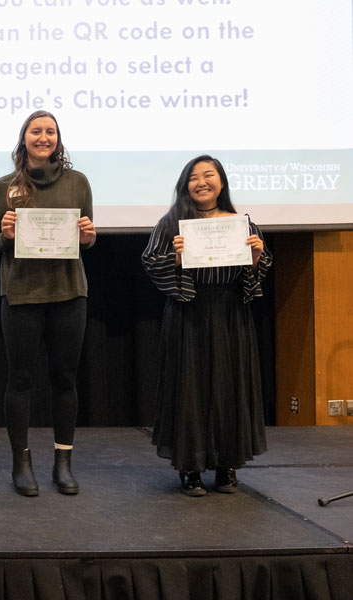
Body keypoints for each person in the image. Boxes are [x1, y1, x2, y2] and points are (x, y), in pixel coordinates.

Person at [141, 154, 270, 496]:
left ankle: (227, 465)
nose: (201, 182)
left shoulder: (241, 223)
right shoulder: (172, 223)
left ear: (222, 182)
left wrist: (255, 259)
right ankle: (191, 467)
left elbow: (256, 275)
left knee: (231, 387)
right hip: (188, 312)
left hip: (230, 313)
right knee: (190, 390)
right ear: (185, 185)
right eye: (194, 177)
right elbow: (151, 262)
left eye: (208, 175)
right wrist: (177, 258)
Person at [0, 110, 96, 497]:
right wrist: (6, 234)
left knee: (65, 380)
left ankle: (63, 464)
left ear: (58, 139)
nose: (43, 137)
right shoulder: (3, 187)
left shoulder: (78, 183)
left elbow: (87, 239)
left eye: (50, 131)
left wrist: (87, 236)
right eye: (36, 131)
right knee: (21, 380)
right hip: (21, 295)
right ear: (24, 138)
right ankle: (22, 463)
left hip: (69, 293)